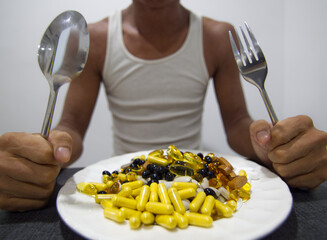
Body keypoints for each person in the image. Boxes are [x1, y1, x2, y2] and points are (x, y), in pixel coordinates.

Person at [0, 0, 326, 212]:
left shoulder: (215, 36)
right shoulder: (97, 38)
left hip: (195, 187)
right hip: (126, 187)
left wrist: (265, 144)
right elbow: (71, 126)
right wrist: (54, 148)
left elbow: (238, 122)